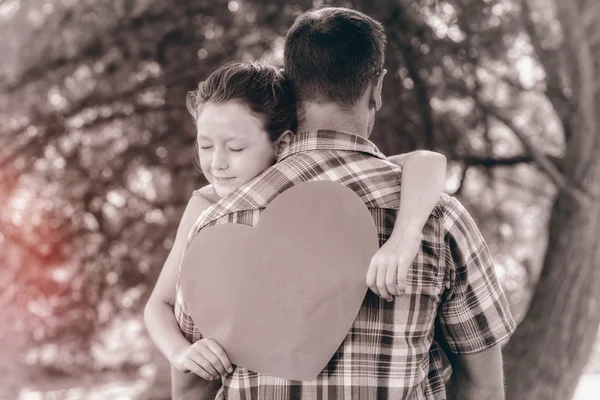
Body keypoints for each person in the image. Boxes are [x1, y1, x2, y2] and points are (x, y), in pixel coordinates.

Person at [161, 6, 516, 400]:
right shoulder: (438, 216)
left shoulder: (217, 223)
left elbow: (192, 385)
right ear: (377, 89)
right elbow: (482, 384)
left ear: (292, 87)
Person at [143, 61, 447, 398]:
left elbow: (427, 161)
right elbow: (159, 305)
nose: (217, 163)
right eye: (205, 145)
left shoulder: (317, 188)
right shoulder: (205, 206)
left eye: (236, 148)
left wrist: (406, 231)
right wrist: (179, 352)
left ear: (283, 143)